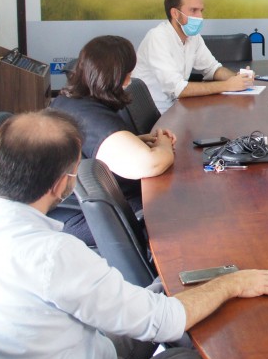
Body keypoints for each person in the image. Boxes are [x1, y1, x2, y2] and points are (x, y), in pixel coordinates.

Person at [0, 110, 268, 359]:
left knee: (167, 288)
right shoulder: (52, 256)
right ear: (61, 185)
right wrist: (232, 283)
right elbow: (165, 321)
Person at [50, 35, 177, 245]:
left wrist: (135, 140)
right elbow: (150, 164)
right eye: (129, 73)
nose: (130, 79)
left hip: (88, 203)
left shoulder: (71, 100)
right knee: (183, 208)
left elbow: (96, 147)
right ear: (121, 77)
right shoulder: (92, 117)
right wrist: (164, 143)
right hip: (88, 216)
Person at [132, 0, 253, 112]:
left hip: (178, 107)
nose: (200, 16)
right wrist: (227, 85)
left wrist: (238, 78)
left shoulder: (193, 37)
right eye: (193, 10)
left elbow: (212, 69)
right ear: (175, 13)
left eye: (201, 10)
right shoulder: (157, 37)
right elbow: (177, 89)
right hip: (156, 115)